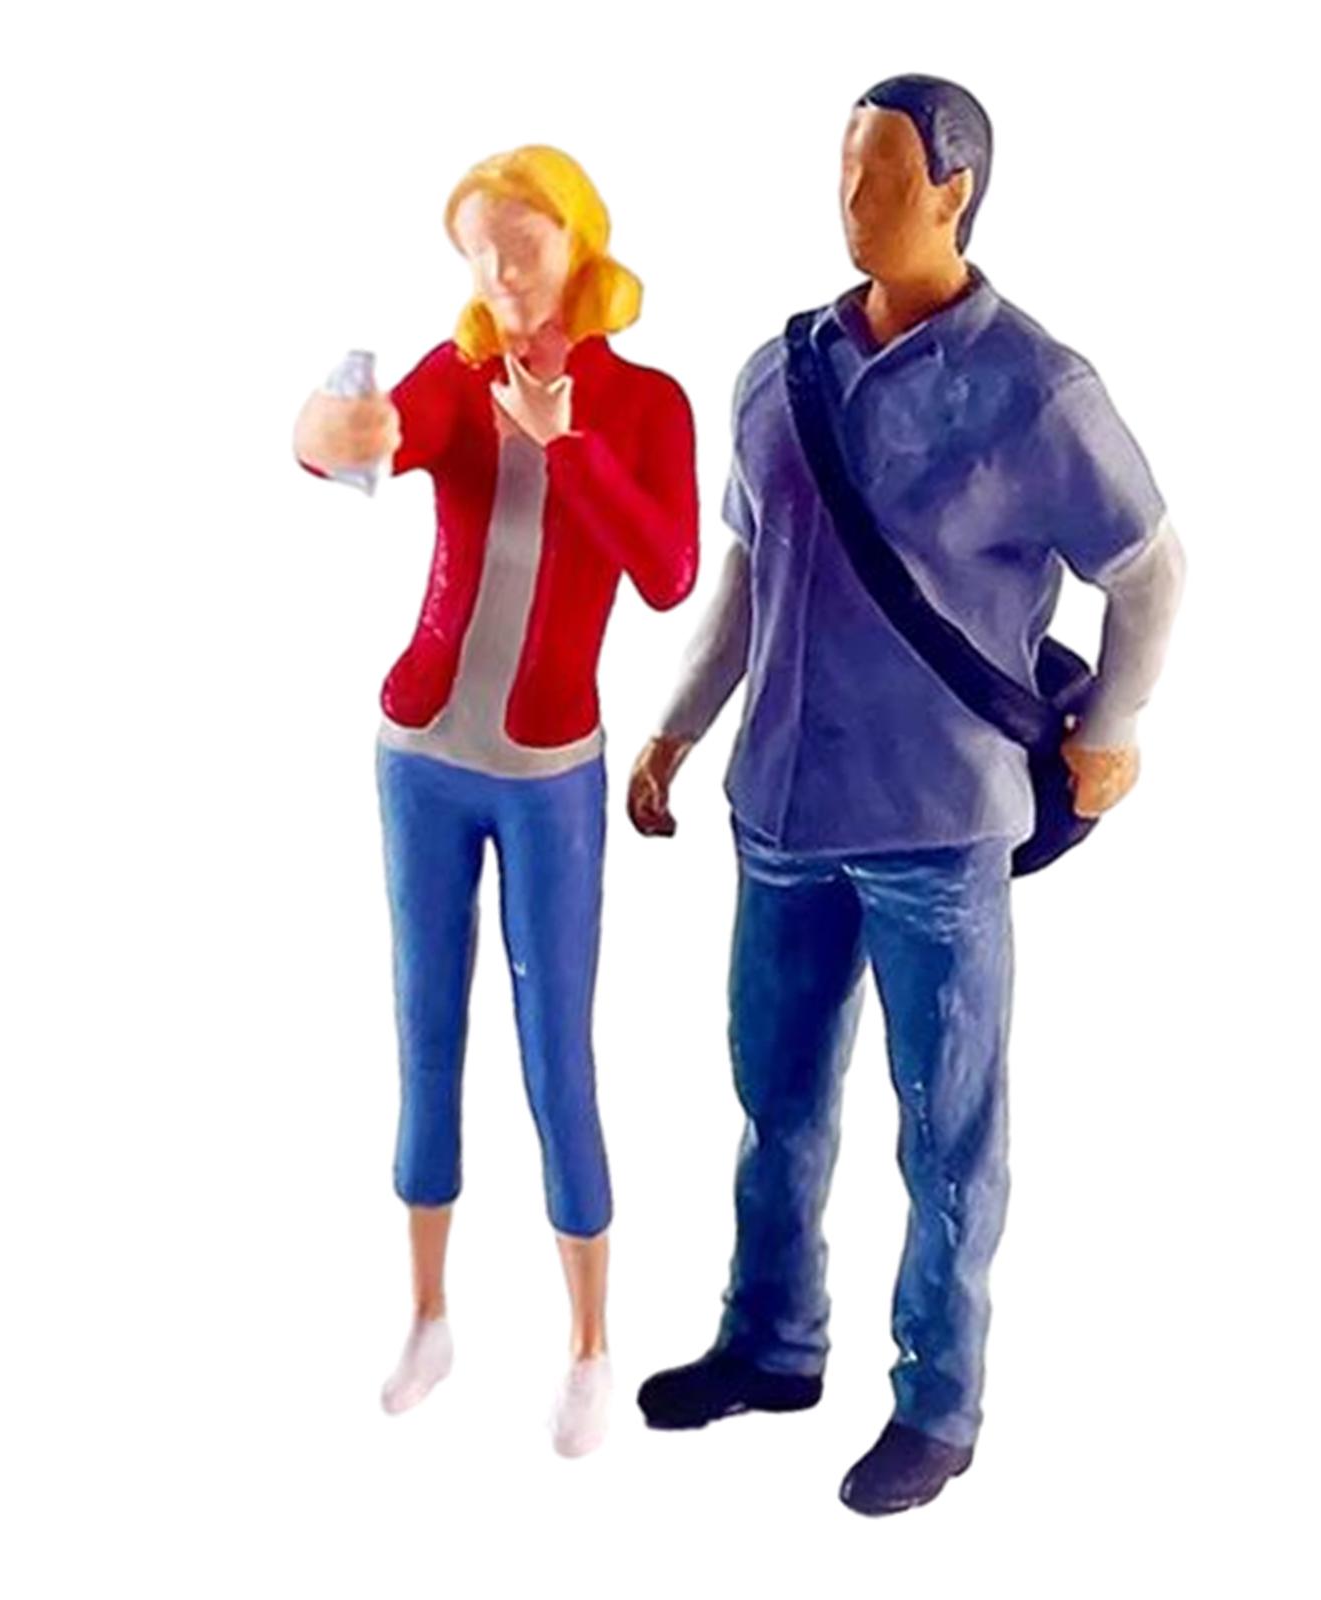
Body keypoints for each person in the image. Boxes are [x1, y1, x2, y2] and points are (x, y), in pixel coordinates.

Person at [628, 77, 1185, 1513]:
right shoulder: (779, 373)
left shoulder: (1036, 390)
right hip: (780, 808)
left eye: (881, 173)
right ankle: (770, 1341)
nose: (851, 197)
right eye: (843, 169)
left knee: (946, 1130)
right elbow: (748, 579)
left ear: (954, 190)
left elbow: (1149, 568)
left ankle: (938, 1401)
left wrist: (1113, 725)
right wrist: (677, 730)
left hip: (938, 825)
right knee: (774, 1100)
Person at [293, 145, 698, 1457]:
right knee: (425, 1030)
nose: (501, 273)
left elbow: (669, 571)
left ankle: (589, 1343)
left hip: (548, 773)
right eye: (479, 251)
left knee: (554, 1051)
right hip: (420, 750)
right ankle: (428, 1315)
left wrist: (566, 445)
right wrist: (328, 434)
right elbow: (374, 436)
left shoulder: (646, 404)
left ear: (580, 245)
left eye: (522, 245)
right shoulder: (460, 376)